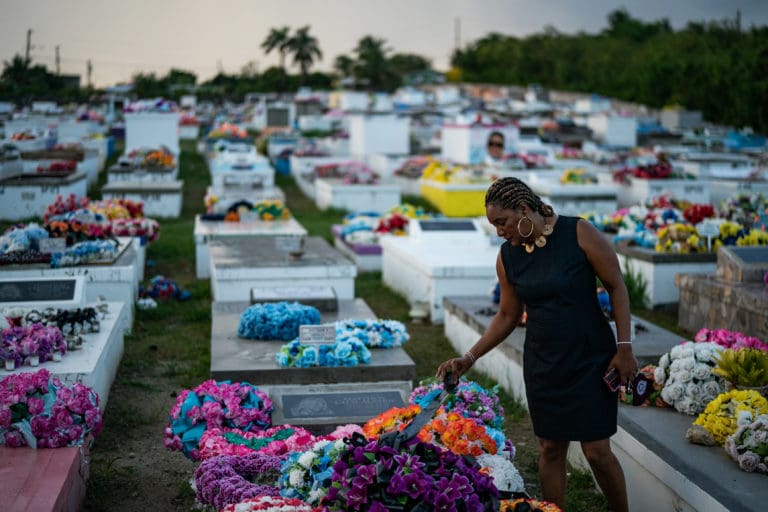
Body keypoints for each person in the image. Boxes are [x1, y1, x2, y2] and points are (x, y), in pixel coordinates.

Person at [436, 177, 638, 512]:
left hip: (591, 356)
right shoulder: (508, 256)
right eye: (494, 225)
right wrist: (468, 358)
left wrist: (625, 346)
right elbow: (507, 315)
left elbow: (616, 285)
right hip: (544, 362)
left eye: (502, 222)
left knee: (597, 452)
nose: (500, 231)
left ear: (525, 209)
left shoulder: (578, 233)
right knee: (550, 447)